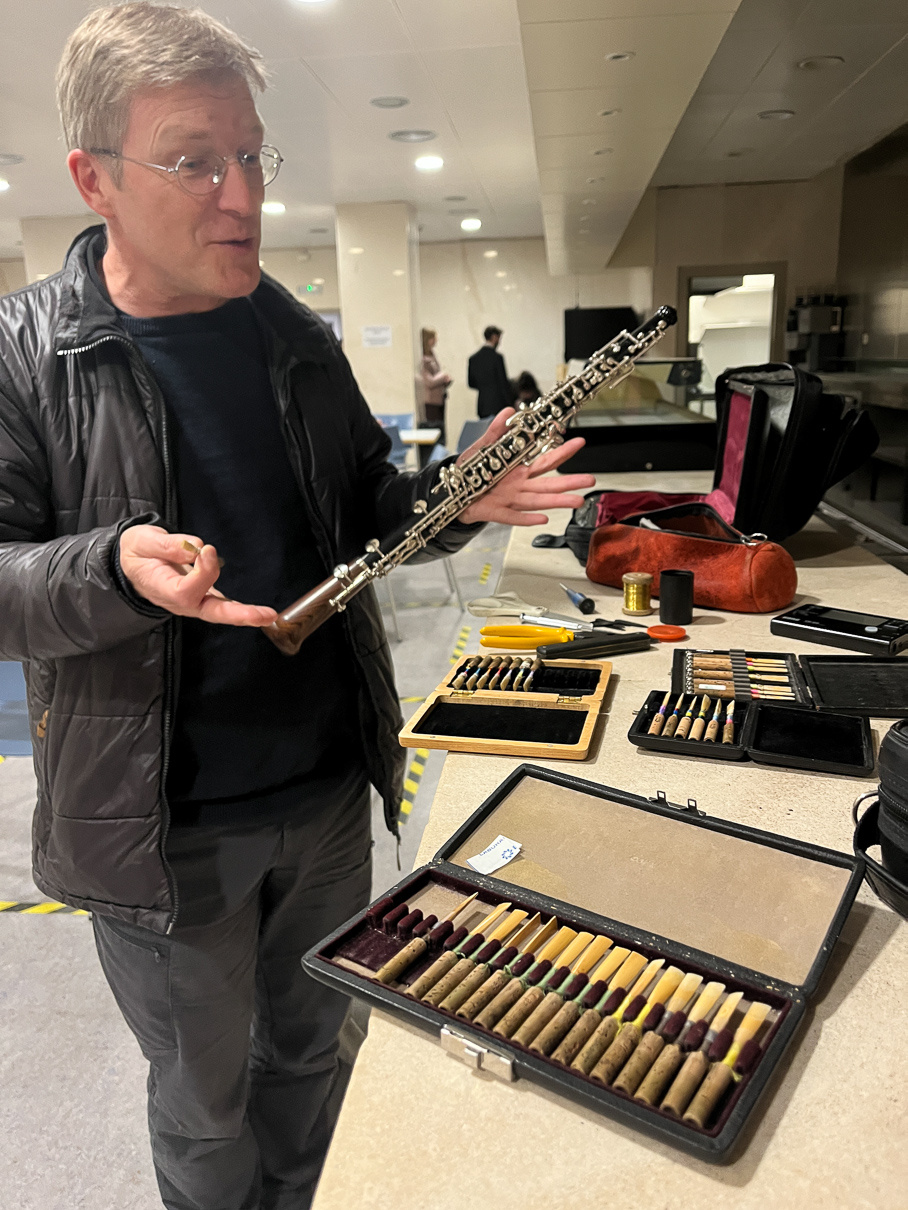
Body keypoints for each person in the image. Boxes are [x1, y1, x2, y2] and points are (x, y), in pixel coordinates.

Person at [0, 6, 595, 1210]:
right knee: (204, 1109)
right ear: (93, 178)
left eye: (252, 155)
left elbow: (365, 507)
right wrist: (111, 569)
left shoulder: (288, 332)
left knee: (312, 1058)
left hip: (328, 795)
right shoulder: (26, 353)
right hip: (163, 836)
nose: (240, 195)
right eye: (193, 159)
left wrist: (455, 497)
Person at [468, 324, 515, 418]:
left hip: (482, 404)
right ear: (494, 337)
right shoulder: (497, 358)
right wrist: (510, 404)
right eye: (499, 339)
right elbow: (502, 383)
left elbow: (471, 383)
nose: (499, 342)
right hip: (498, 404)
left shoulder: (473, 359)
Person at [418, 326, 451, 437]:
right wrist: (442, 377)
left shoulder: (432, 356)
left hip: (439, 398)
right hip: (431, 400)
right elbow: (429, 381)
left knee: (441, 430)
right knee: (434, 429)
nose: (436, 340)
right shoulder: (424, 360)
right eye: (433, 338)